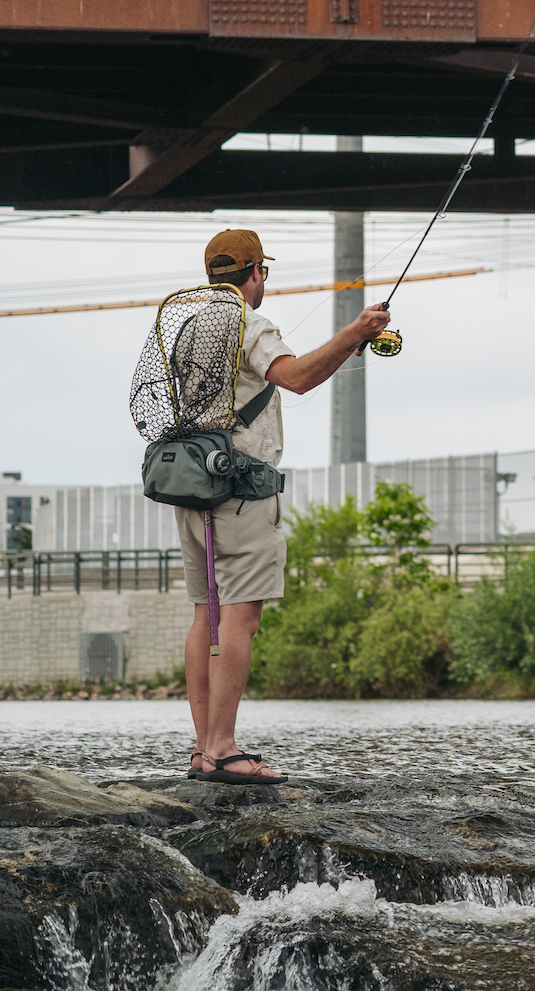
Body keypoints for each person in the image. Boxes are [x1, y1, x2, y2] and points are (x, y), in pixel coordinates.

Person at [180, 229, 389, 784]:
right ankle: (224, 749)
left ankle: (203, 749)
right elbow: (294, 379)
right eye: (262, 272)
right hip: (243, 492)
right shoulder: (250, 322)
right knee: (241, 614)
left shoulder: (190, 327)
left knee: (207, 613)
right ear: (255, 273)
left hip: (194, 489)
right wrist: (357, 332)